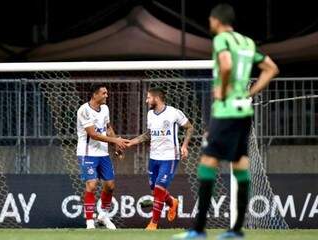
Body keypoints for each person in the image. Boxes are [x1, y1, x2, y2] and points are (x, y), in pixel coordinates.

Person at [173, 3, 279, 239]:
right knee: (240, 164)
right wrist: (249, 94)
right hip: (243, 111)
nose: (210, 24)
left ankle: (198, 230)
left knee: (207, 163)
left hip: (227, 110)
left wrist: (222, 89)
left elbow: (227, 65)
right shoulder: (248, 43)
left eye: (210, 20)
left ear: (217, 20)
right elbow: (271, 69)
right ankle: (236, 230)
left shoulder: (222, 39)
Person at [127, 87, 194, 230]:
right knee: (154, 190)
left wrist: (185, 146)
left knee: (158, 188)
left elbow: (189, 128)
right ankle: (172, 202)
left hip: (170, 157)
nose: (146, 101)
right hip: (154, 157)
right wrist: (132, 142)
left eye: (148, 97)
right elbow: (149, 134)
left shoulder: (174, 113)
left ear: (156, 98)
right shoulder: (150, 114)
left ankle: (153, 223)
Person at [76, 83, 130, 229]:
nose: (107, 95)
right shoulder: (84, 110)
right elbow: (93, 134)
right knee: (92, 185)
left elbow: (108, 128)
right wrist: (116, 140)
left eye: (107, 93)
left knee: (110, 185)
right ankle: (89, 222)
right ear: (95, 95)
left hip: (103, 153)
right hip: (87, 154)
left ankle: (103, 216)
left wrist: (116, 146)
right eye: (104, 93)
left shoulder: (105, 108)